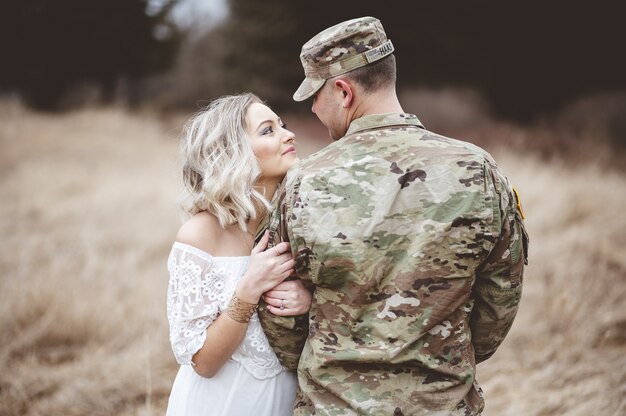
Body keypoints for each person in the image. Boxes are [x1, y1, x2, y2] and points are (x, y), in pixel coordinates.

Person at [257, 16, 529, 415]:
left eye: (315, 95)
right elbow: (499, 300)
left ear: (343, 91)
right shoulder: (478, 170)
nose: (313, 107)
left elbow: (280, 315)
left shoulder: (304, 183)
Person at [165, 93, 312, 416]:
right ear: (233, 152)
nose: (289, 134)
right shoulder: (201, 234)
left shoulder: (303, 220)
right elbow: (203, 362)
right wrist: (248, 290)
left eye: (282, 125)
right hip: (223, 402)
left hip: (290, 401)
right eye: (268, 130)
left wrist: (309, 302)